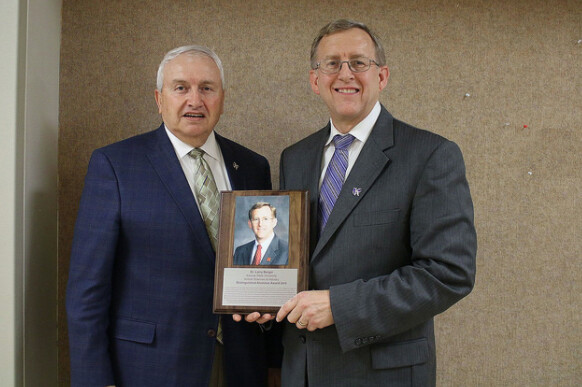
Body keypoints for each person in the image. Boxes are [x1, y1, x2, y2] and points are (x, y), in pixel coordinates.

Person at [239, 19, 477, 386]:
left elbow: (448, 273)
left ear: (381, 76)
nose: (345, 73)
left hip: (383, 373)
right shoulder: (295, 157)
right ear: (315, 80)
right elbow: (294, 261)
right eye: (331, 63)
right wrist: (269, 301)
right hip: (301, 371)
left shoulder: (430, 155)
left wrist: (340, 306)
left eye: (358, 63)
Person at [66, 45, 281, 387]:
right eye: (181, 87)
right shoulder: (117, 165)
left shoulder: (252, 166)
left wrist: (274, 362)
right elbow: (87, 289)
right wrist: (94, 379)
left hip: (240, 365)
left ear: (222, 97)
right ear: (159, 98)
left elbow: (266, 265)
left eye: (207, 88)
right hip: (150, 367)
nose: (195, 99)